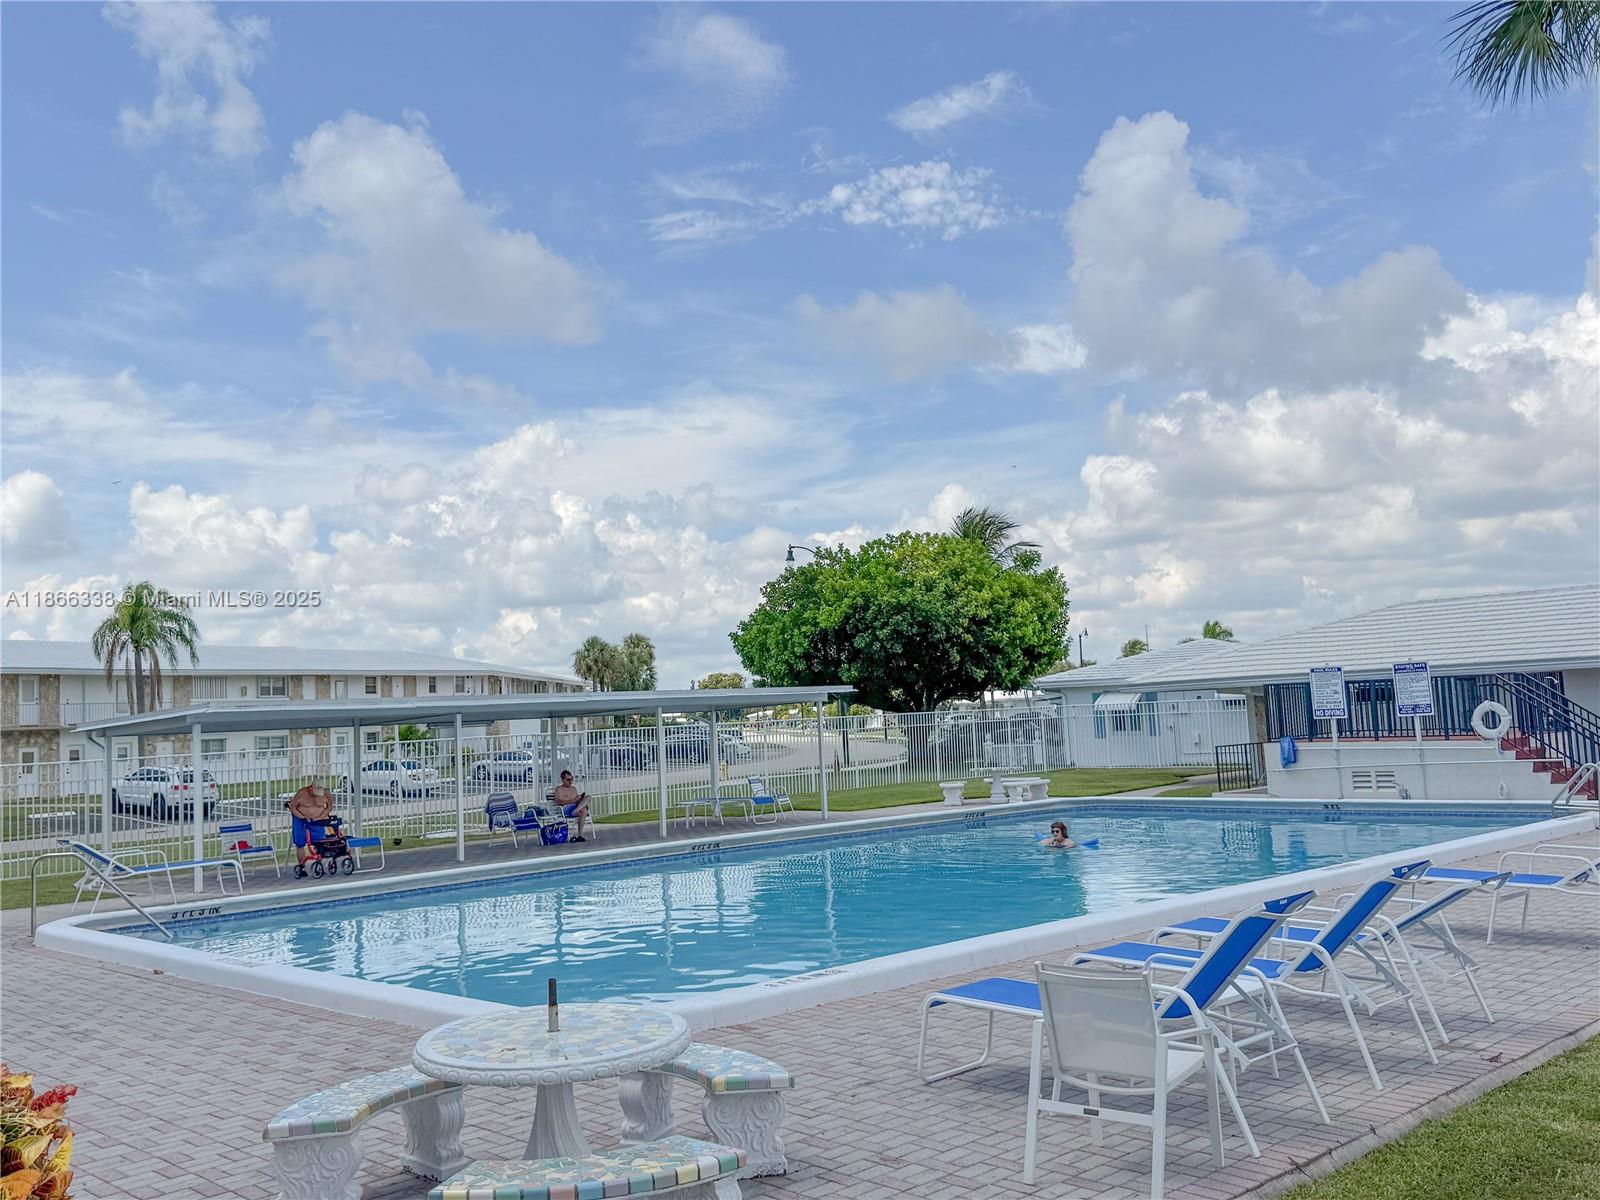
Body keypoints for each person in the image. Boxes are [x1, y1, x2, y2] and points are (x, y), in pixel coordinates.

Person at [288, 778, 336, 867]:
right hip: (301, 820)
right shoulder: (302, 793)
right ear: (311, 788)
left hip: (317, 821)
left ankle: (320, 864)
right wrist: (302, 817)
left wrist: (321, 817)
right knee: (300, 843)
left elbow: (329, 807)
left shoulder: (326, 794)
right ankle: (302, 866)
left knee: (320, 842)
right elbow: (292, 807)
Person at [551, 770, 590, 843]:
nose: (570, 781)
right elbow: (559, 802)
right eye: (568, 780)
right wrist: (573, 800)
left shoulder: (573, 789)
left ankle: (580, 836)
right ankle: (580, 834)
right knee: (583, 811)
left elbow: (576, 801)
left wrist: (579, 799)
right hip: (566, 808)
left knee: (588, 797)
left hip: (576, 807)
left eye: (571, 779)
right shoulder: (559, 789)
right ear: (563, 780)